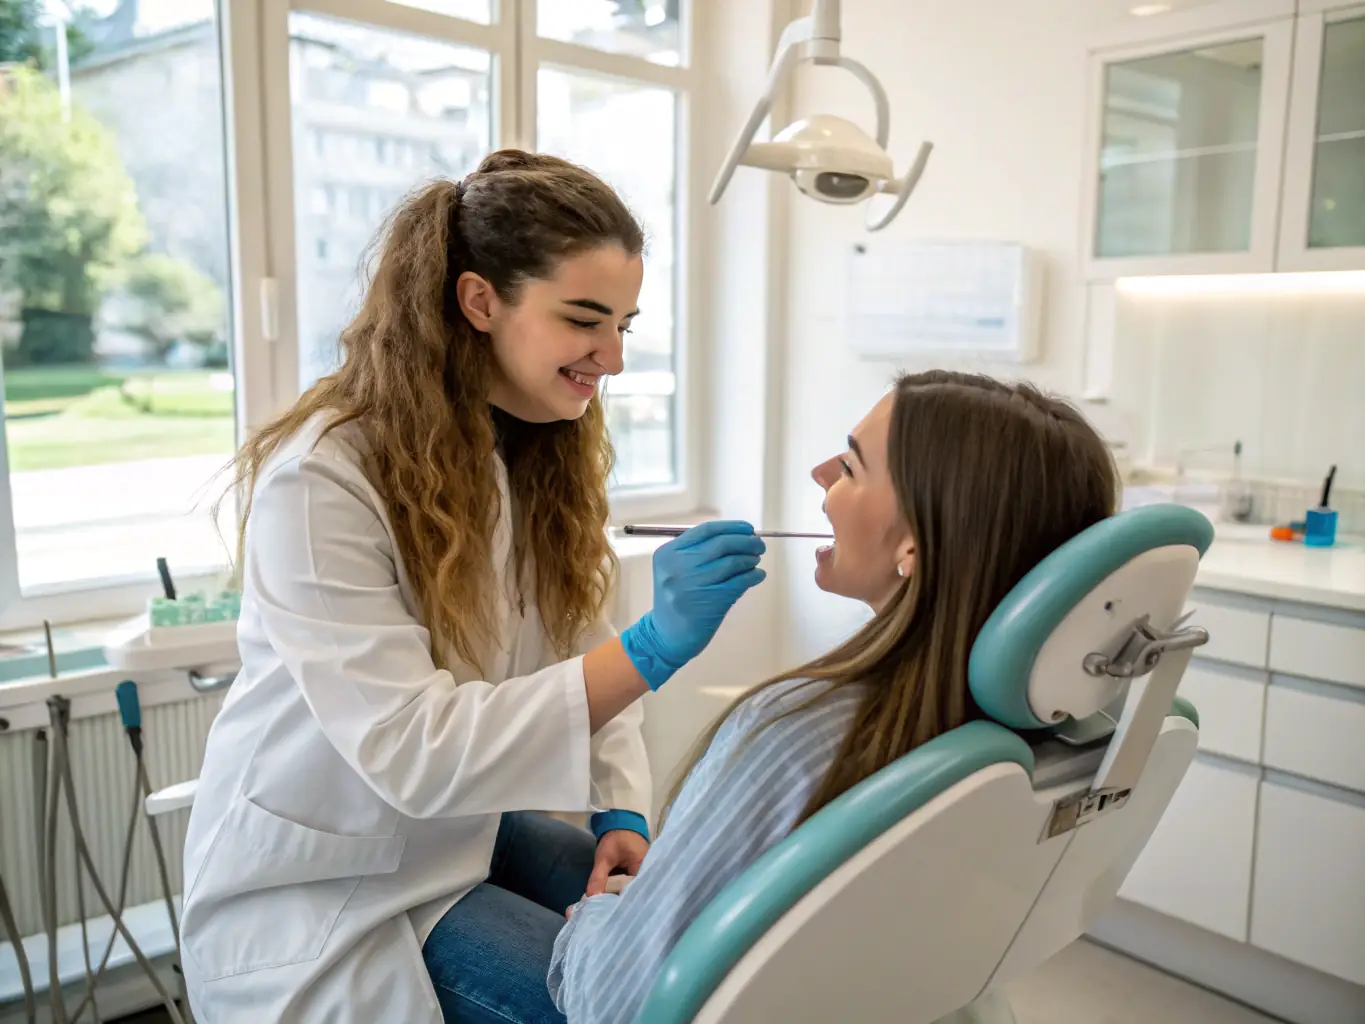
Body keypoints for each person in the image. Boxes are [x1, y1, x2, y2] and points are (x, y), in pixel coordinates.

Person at [178, 150, 767, 1024]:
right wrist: (651, 649)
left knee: (694, 949)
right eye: (583, 320)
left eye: (625, 326)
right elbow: (410, 748)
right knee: (626, 1008)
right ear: (479, 300)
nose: (610, 356)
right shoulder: (324, 480)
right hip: (319, 889)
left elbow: (572, 640)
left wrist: (619, 807)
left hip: (456, 837)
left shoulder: (533, 452)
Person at [548, 370, 1120, 1023]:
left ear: (913, 544)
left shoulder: (795, 733)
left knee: (436, 905)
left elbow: (612, 1004)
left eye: (850, 465)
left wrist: (598, 917)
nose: (821, 475)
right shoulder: (1043, 738)